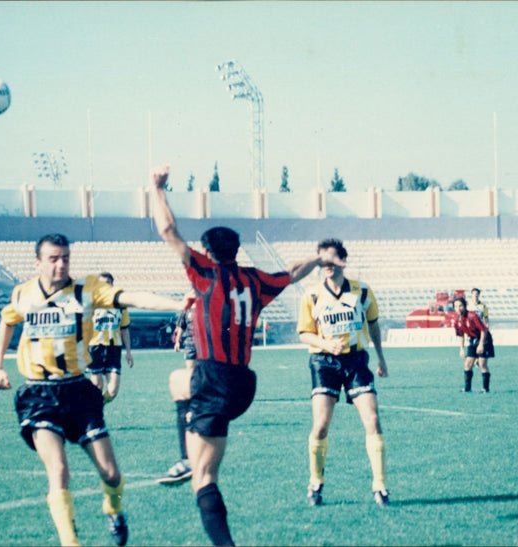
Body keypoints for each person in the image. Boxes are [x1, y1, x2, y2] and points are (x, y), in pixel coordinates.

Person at [150, 164, 342, 546]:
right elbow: (291, 272)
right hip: (242, 384)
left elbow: (168, 231)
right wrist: (319, 261)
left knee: (203, 479)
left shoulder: (205, 272)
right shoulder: (255, 279)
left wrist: (157, 189)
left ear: (208, 251)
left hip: (213, 377)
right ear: (236, 251)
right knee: (177, 382)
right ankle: (190, 458)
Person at [0, 233, 191, 547]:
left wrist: (178, 304)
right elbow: (7, 321)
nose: (60, 264)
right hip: (38, 395)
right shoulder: (23, 294)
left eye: (65, 258)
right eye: (53, 259)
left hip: (78, 393)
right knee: (58, 469)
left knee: (111, 474)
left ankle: (114, 508)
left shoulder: (87, 290)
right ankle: (71, 543)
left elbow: (134, 298)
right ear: (38, 263)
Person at [297, 238, 390, 509]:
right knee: (321, 425)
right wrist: (326, 344)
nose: (326, 265)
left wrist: (381, 358)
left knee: (372, 419)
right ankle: (315, 483)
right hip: (324, 362)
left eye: (331, 259)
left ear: (342, 261)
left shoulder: (361, 292)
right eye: (321, 260)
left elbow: (373, 325)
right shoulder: (311, 295)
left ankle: (380, 486)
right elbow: (304, 334)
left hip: (356, 361)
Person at [157, 306, 196, 485]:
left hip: (203, 342)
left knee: (193, 376)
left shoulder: (208, 301)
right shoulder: (186, 308)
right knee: (187, 375)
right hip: (189, 342)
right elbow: (180, 326)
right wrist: (177, 340)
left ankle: (188, 460)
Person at [87, 272, 134, 404]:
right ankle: (93, 412)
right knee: (97, 387)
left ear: (112, 285)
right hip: (95, 347)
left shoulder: (120, 305)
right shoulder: (91, 304)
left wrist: (129, 352)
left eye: (107, 284)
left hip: (114, 349)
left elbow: (124, 329)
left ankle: (95, 407)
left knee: (112, 391)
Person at [453, 296, 494, 392]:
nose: (458, 309)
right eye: (456, 306)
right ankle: (467, 388)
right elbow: (461, 335)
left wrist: (481, 344)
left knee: (482, 364)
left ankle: (485, 388)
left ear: (465, 306)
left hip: (484, 339)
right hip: (473, 340)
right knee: (468, 364)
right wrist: (461, 349)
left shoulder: (472, 316)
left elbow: (483, 330)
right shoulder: (457, 321)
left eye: (460, 306)